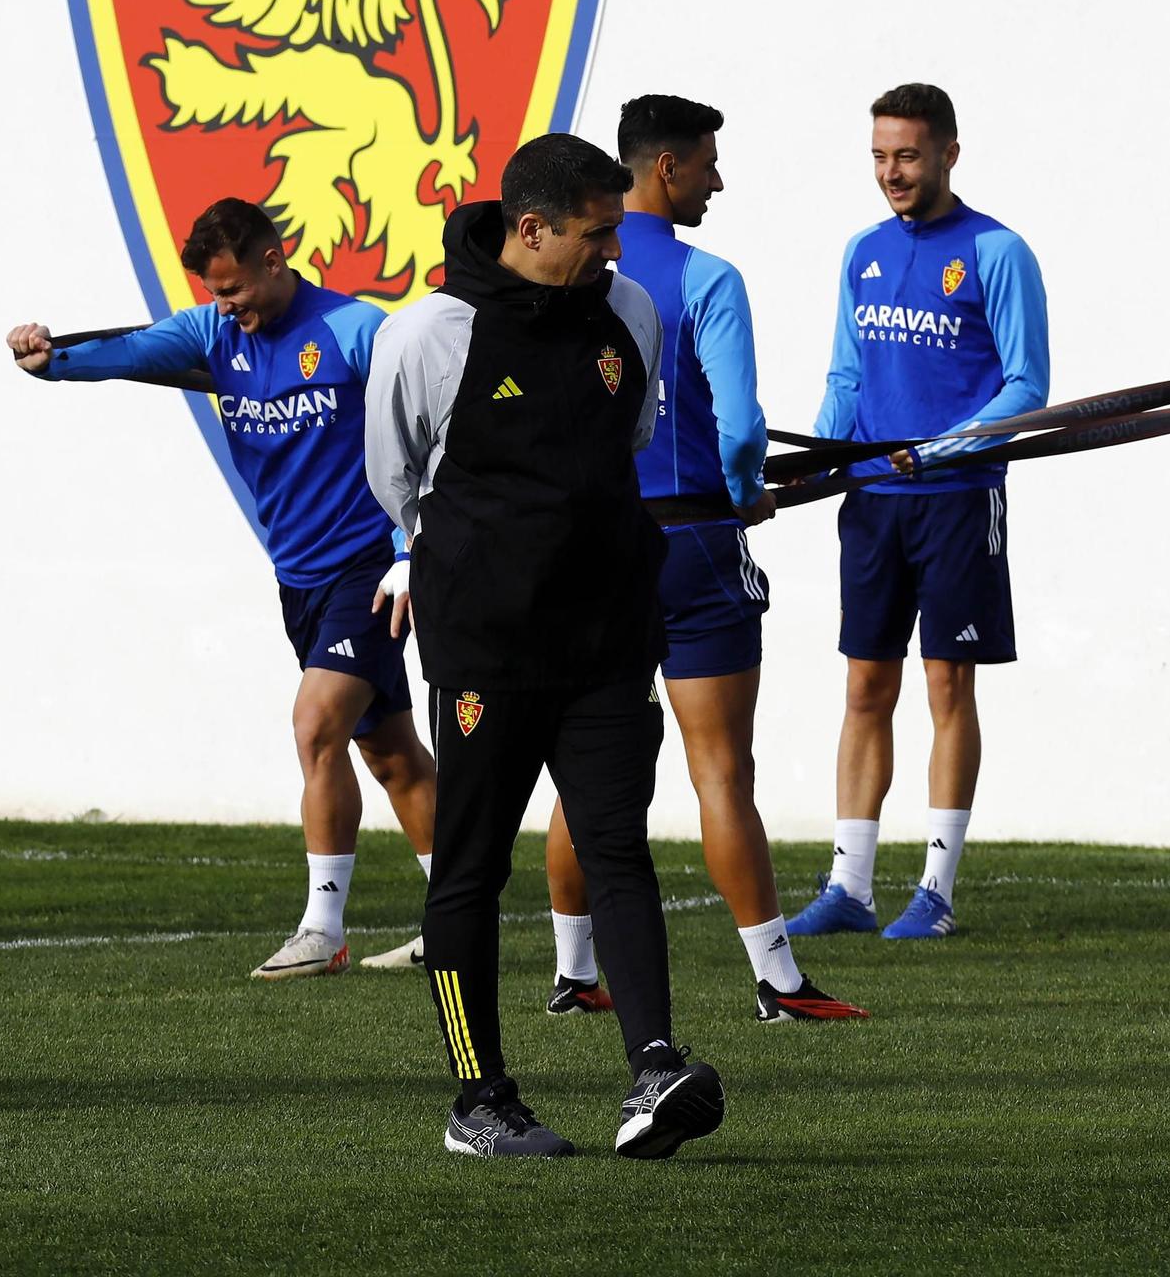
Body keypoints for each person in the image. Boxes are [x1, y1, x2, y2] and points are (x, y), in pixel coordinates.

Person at [365, 133, 725, 1161]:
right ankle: (478, 1098)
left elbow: (624, 445)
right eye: (597, 231)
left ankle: (653, 1066)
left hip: (610, 635)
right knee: (469, 869)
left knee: (617, 848)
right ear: (531, 228)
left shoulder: (629, 311)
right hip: (487, 649)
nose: (615, 248)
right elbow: (397, 480)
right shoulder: (428, 334)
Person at [7, 196, 436, 980]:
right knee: (391, 754)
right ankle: (454, 912)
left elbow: (421, 429)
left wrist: (411, 546)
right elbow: (130, 351)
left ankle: (322, 929)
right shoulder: (212, 335)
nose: (224, 305)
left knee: (315, 727)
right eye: (213, 292)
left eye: (233, 288)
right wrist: (48, 358)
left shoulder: (355, 330)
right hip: (297, 578)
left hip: (366, 572)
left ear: (274, 260)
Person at [542, 98, 867, 1024]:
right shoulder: (707, 277)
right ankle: (776, 980)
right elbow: (737, 431)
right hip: (688, 544)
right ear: (665, 169)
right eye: (707, 165)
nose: (717, 181)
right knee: (721, 770)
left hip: (587, 550)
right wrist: (746, 489)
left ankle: (572, 975)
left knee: (583, 769)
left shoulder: (561, 268)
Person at [788, 83, 1049, 941]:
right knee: (865, 683)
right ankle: (850, 888)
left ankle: (934, 893)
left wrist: (938, 448)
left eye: (904, 155)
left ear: (947, 153)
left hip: (955, 501)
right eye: (877, 156)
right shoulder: (861, 251)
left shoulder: (996, 251)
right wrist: (823, 463)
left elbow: (1025, 386)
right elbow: (845, 377)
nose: (889, 172)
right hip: (871, 502)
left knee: (946, 683)